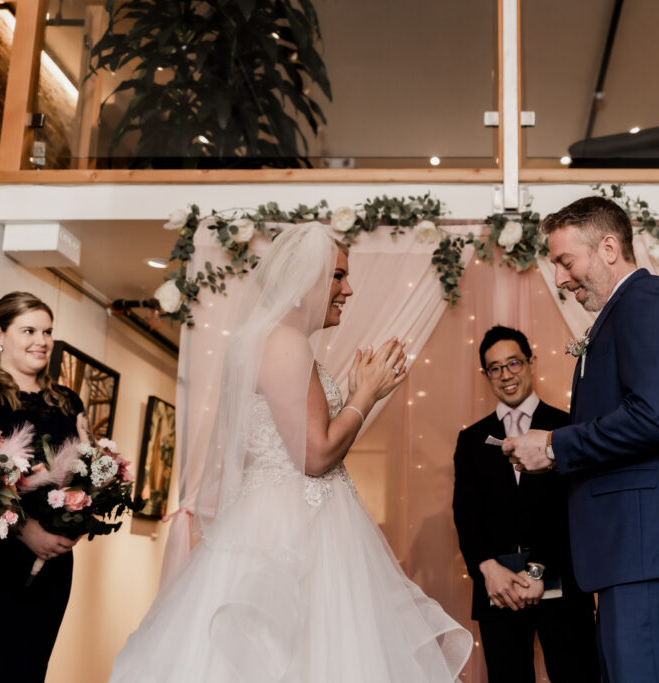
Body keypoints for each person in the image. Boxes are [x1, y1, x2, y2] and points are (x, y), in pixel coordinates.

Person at [110, 224, 471, 682]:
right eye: (338, 277)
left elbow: (272, 446)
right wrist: (367, 396)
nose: (349, 289)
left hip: (279, 515)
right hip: (296, 530)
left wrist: (356, 394)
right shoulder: (283, 342)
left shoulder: (263, 341)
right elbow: (316, 456)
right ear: (303, 285)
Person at [502, 196, 659, 683]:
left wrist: (555, 446)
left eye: (565, 261)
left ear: (608, 248)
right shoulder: (623, 312)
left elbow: (653, 418)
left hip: (651, 547)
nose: (560, 278)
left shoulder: (650, 300)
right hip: (635, 550)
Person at [452, 325, 599, 683]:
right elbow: (466, 514)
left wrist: (538, 571)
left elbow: (573, 508)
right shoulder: (471, 439)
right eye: (496, 368)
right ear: (486, 375)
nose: (506, 376)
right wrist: (488, 569)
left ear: (531, 363)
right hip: (500, 591)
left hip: (563, 584)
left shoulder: (568, 427)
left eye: (514, 363)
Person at [0, 292, 91, 683]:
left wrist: (74, 519)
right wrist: (26, 531)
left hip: (52, 564)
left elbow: (89, 473)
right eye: (29, 330)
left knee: (27, 666)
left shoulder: (67, 401)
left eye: (47, 331)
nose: (42, 340)